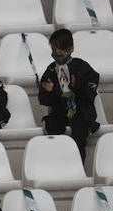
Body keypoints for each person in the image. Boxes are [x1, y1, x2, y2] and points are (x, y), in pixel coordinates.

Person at [39, 28, 101, 161]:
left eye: (60, 49)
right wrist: (49, 91)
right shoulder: (50, 70)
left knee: (79, 134)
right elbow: (43, 99)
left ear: (70, 49)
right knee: (52, 127)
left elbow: (90, 91)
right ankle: (58, 162)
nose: (56, 53)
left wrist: (76, 86)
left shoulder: (81, 66)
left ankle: (78, 166)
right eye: (54, 49)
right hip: (59, 110)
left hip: (80, 110)